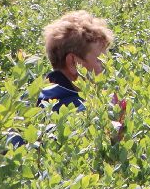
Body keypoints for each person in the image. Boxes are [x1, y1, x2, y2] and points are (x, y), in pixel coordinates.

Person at [13, 11, 127, 145]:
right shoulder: (82, 112)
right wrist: (116, 124)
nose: (106, 69)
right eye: (100, 61)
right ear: (73, 62)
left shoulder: (29, 100)